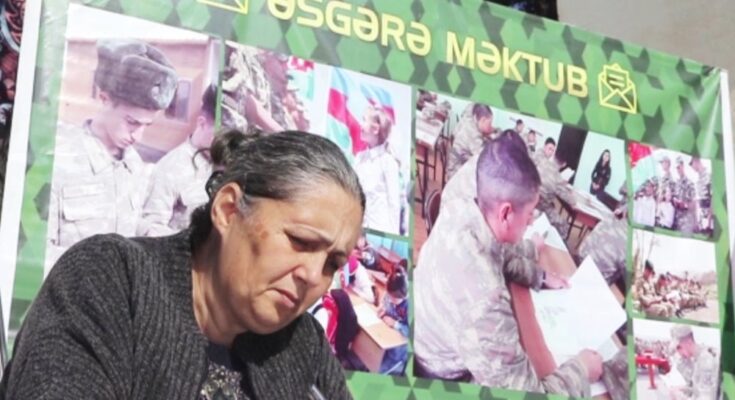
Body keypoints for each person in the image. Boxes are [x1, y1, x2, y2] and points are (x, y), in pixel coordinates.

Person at [1, 130, 365, 399]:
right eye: (301, 241)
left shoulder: (302, 346)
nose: (313, 276)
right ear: (228, 210)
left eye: (333, 263)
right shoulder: (111, 280)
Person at [414, 131, 600, 397]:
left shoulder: (463, 209)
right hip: (438, 374)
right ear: (505, 213)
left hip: (428, 338)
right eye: (529, 213)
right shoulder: (485, 299)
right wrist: (581, 369)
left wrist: (539, 276)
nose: (531, 220)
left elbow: (499, 255)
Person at [45, 39, 178, 273]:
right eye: (132, 122)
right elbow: (36, 253)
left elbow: (131, 224)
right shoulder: (57, 159)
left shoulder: (135, 166)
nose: (138, 135)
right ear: (105, 99)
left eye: (147, 125)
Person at [137, 84, 217, 237]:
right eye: (220, 134)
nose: (226, 142)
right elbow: (152, 229)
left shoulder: (227, 163)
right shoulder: (172, 168)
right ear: (202, 123)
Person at [353, 104, 401, 235]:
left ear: (375, 129)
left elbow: (394, 205)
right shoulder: (359, 158)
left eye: (364, 120)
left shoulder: (388, 162)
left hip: (381, 228)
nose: (360, 124)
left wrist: (393, 235)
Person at [445, 103, 498, 179]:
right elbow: (483, 158)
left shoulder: (471, 119)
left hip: (458, 160)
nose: (490, 126)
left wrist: (488, 133)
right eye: (489, 123)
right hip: (456, 170)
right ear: (483, 120)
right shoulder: (473, 133)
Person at [670, 325, 718, 400]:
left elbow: (706, 397)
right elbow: (698, 389)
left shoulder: (705, 361)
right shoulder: (697, 359)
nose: (679, 352)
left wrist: (680, 397)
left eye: (679, 347)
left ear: (688, 342)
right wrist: (684, 389)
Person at [377, 266, 409, 375]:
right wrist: (382, 309)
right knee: (371, 358)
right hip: (385, 339)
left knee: (377, 371)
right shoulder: (390, 292)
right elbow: (385, 303)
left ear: (404, 296)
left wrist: (396, 324)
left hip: (397, 351)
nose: (390, 300)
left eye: (394, 299)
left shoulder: (410, 305)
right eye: (389, 296)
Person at [672, 156, 697, 234]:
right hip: (676, 222)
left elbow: (694, 205)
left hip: (686, 223)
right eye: (676, 168)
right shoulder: (676, 183)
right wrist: (674, 201)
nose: (678, 170)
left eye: (679, 167)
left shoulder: (690, 184)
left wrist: (684, 205)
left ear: (683, 166)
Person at [690, 157, 712, 234]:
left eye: (691, 163)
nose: (691, 167)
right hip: (701, 221)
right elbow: (697, 202)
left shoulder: (708, 175)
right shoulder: (697, 179)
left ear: (696, 160)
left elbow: (713, 199)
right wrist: (696, 221)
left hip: (710, 221)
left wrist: (709, 222)